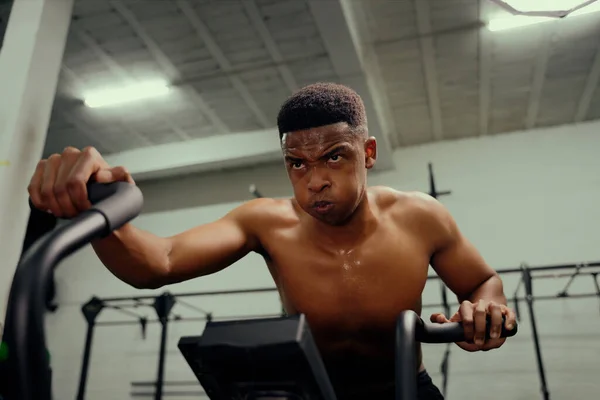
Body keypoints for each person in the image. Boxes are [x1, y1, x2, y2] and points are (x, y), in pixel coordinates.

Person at [28, 82, 516, 400]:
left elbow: (483, 281)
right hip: (307, 394)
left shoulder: (421, 215)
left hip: (407, 388)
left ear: (367, 153)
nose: (314, 180)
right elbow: (159, 262)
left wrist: (486, 308)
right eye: (297, 164)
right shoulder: (265, 222)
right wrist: (95, 207)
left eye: (333, 157)